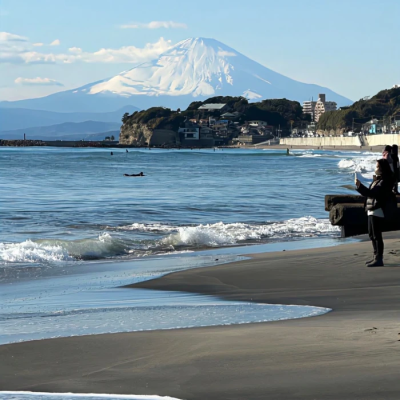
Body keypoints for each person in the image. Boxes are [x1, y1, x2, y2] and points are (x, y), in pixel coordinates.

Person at [355, 158, 394, 267]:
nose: (375, 168)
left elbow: (372, 193)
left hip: (377, 209)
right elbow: (370, 193)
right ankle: (375, 256)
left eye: (377, 166)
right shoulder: (378, 179)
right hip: (372, 208)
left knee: (376, 235)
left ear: (381, 168)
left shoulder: (384, 181)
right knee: (372, 234)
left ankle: (379, 259)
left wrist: (359, 186)